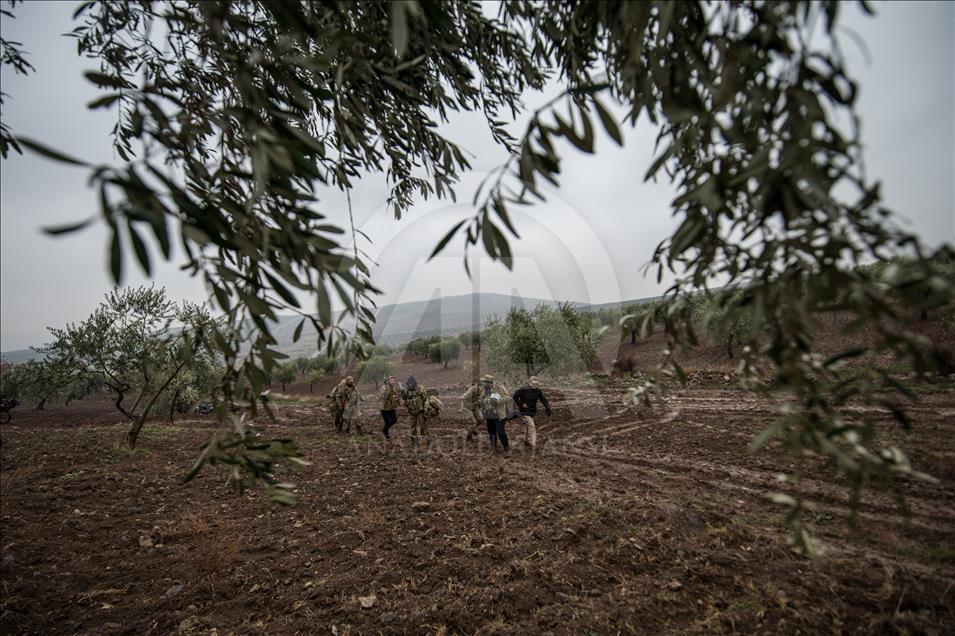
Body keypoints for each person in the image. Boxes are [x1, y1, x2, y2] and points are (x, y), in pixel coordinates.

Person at [512, 375, 551, 453]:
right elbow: (515, 396)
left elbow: (543, 399)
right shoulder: (524, 389)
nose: (535, 385)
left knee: (528, 426)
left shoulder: (537, 391)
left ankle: (526, 441)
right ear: (529, 383)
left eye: (536, 383)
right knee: (531, 425)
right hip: (524, 411)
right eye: (533, 383)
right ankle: (533, 444)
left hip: (532, 411)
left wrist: (547, 407)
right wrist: (521, 404)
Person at [478, 374, 511, 455]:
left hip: (499, 414)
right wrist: (482, 401)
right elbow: (480, 399)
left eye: (484, 382)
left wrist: (498, 401)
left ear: (489, 383)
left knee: (500, 431)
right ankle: (494, 448)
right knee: (491, 432)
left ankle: (506, 448)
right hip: (488, 414)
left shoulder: (499, 388)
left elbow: (507, 397)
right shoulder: (483, 389)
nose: (483, 383)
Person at [401, 376, 431, 451]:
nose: (410, 387)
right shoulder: (406, 390)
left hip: (421, 412)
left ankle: (429, 442)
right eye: (409, 386)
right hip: (412, 412)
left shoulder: (420, 388)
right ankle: (414, 443)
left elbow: (426, 399)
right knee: (412, 428)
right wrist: (404, 403)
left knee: (423, 427)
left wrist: (425, 407)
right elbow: (403, 400)